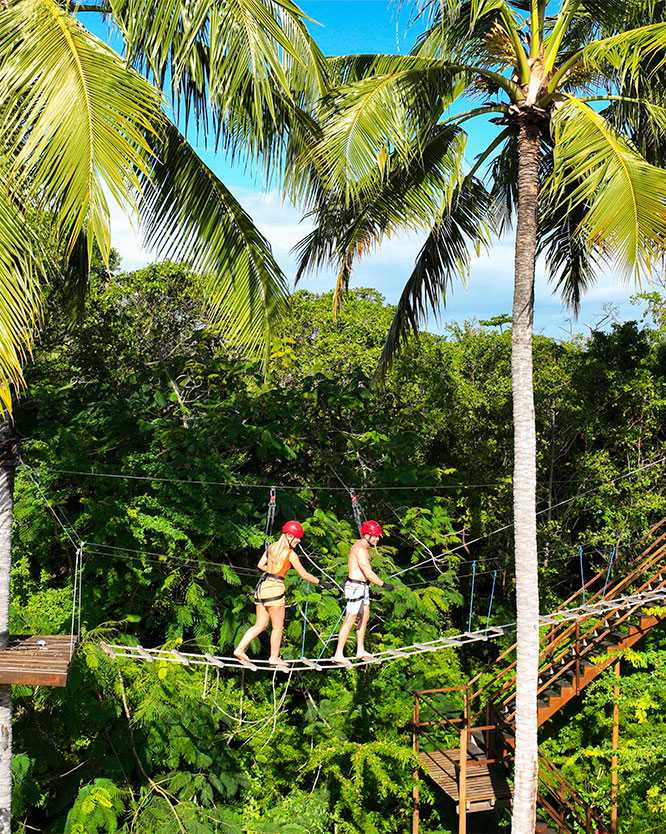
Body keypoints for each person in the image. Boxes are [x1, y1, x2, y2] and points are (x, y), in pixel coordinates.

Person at [234, 520, 320, 671]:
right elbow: (304, 574)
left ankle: (240, 649)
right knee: (278, 628)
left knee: (260, 625)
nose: (299, 541)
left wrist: (272, 570)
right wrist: (320, 582)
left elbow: (260, 565)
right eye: (297, 537)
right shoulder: (290, 554)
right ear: (288, 535)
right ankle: (274, 657)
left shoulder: (271, 547)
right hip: (275, 591)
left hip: (262, 589)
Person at [332, 520, 394, 665]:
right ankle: (338, 654)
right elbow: (367, 571)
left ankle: (360, 650)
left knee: (364, 616)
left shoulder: (365, 548)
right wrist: (383, 584)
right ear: (367, 535)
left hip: (363, 587)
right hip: (355, 587)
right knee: (350, 619)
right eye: (375, 536)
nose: (377, 539)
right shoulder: (360, 549)